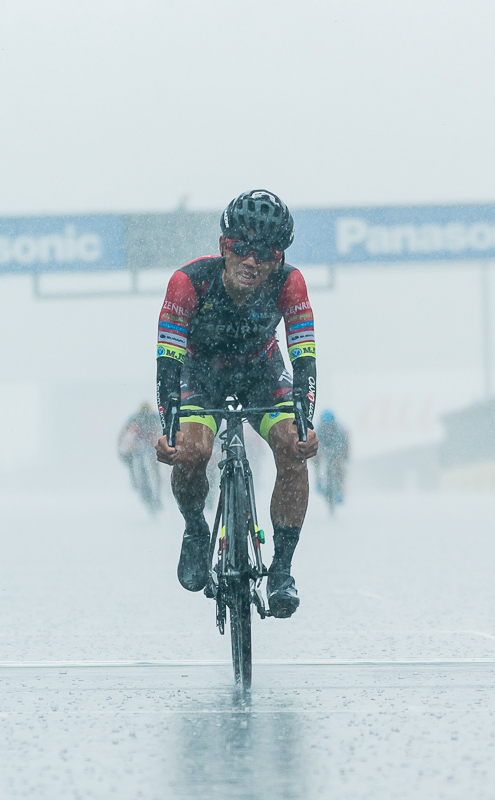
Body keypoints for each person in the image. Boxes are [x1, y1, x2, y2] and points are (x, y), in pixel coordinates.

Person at [154, 189, 319, 618]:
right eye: (241, 247)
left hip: (261, 370)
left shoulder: (290, 283)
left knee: (292, 445)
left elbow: (304, 359)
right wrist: (169, 430)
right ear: (223, 246)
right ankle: (195, 528)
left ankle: (281, 570)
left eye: (265, 252)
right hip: (199, 373)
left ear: (279, 257)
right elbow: (168, 366)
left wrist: (306, 423)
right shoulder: (188, 282)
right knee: (192, 453)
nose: (251, 260)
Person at [118, 402, 163, 513]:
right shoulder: (143, 417)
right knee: (143, 471)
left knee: (150, 473)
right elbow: (124, 432)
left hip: (149, 448)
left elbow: (123, 432)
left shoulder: (144, 417)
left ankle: (153, 494)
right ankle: (149, 491)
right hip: (142, 449)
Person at [314, 409, 349, 509]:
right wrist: (317, 455)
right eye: (326, 426)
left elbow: (344, 444)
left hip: (336, 450)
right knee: (316, 462)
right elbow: (315, 443)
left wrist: (343, 456)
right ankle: (318, 480)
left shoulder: (340, 430)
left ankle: (340, 490)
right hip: (323, 450)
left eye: (330, 426)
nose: (328, 428)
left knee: (341, 468)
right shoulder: (319, 430)